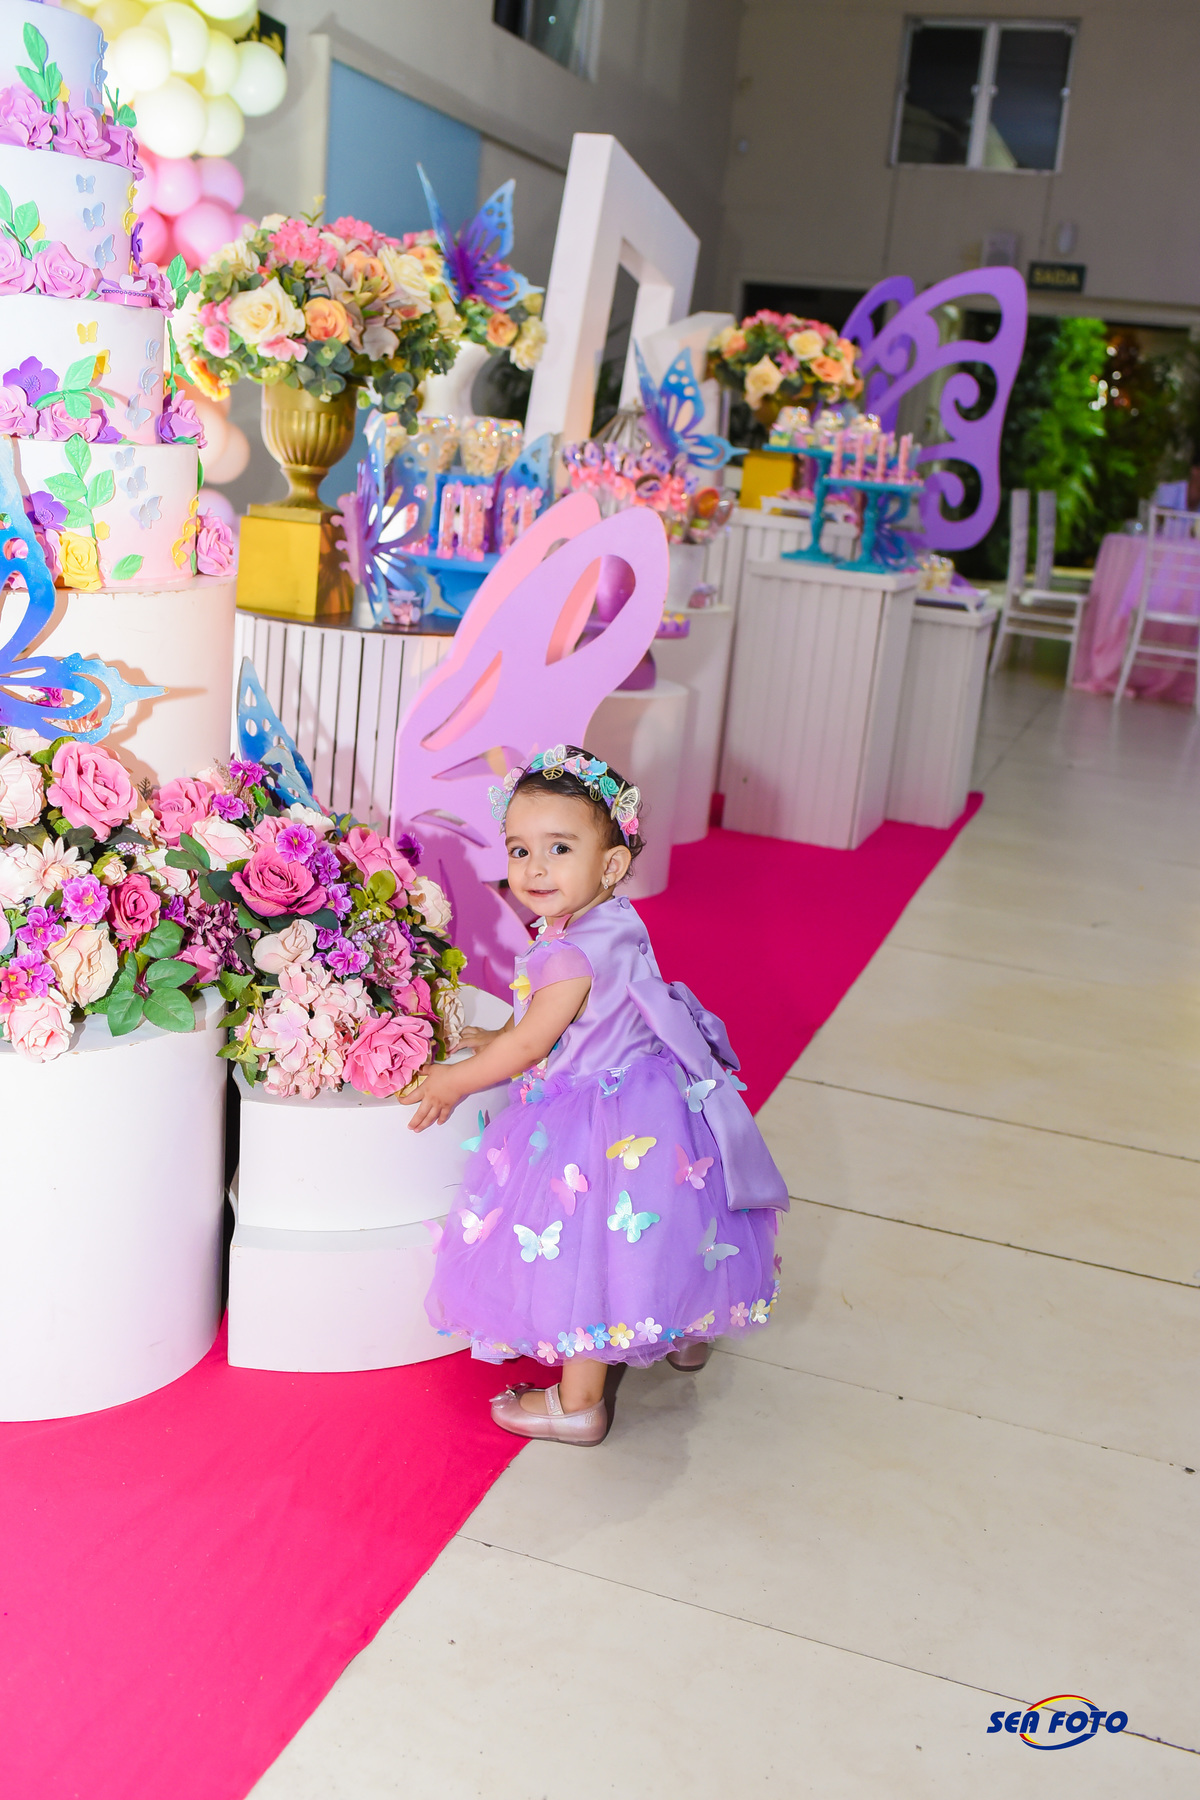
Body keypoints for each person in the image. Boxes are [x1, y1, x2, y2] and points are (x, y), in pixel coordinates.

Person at [403, 745, 788, 1447]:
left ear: (609, 864)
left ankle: (578, 1403)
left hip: (596, 1121)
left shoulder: (564, 954)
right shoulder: (615, 919)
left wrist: (456, 1079)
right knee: (661, 1231)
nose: (535, 869)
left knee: (592, 1257)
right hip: (658, 1105)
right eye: (519, 850)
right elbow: (578, 1016)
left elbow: (534, 1044)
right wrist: (502, 1034)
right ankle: (685, 1330)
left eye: (559, 848)